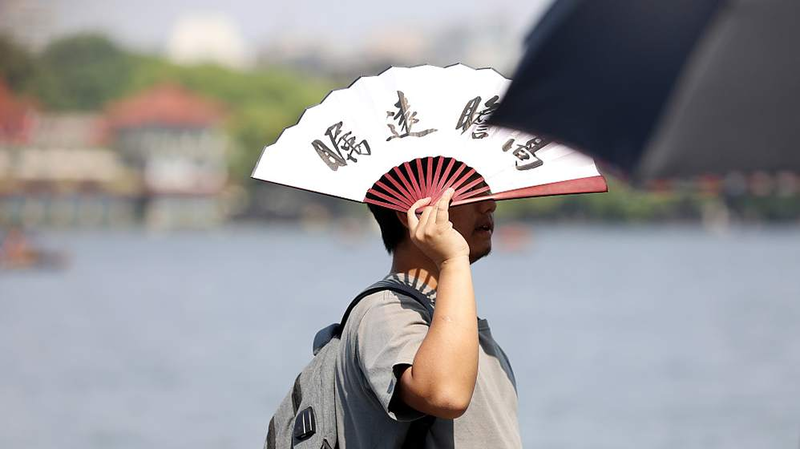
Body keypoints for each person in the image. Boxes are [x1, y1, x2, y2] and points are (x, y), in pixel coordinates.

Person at [335, 187, 521, 447]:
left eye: (484, 191)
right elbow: (446, 395)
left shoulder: (452, 316)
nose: (489, 205)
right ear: (413, 211)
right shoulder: (386, 309)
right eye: (467, 192)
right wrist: (453, 260)